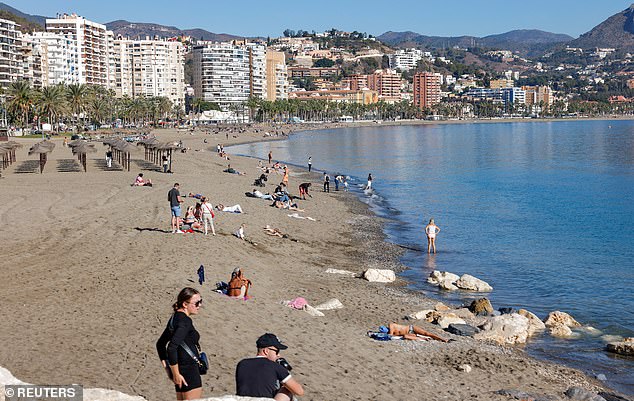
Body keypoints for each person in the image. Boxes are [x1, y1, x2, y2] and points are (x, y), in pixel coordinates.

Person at [156, 288, 205, 400]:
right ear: (185, 304)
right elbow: (171, 348)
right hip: (188, 370)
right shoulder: (185, 321)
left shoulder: (174, 318)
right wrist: (175, 373)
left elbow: (160, 344)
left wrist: (169, 369)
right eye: (197, 303)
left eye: (201, 301)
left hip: (180, 369)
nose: (200, 305)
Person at [235, 333, 304, 400]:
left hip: (242, 399)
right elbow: (299, 391)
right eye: (276, 351)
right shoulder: (275, 366)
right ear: (266, 351)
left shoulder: (242, 363)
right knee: (287, 389)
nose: (279, 355)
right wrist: (284, 381)